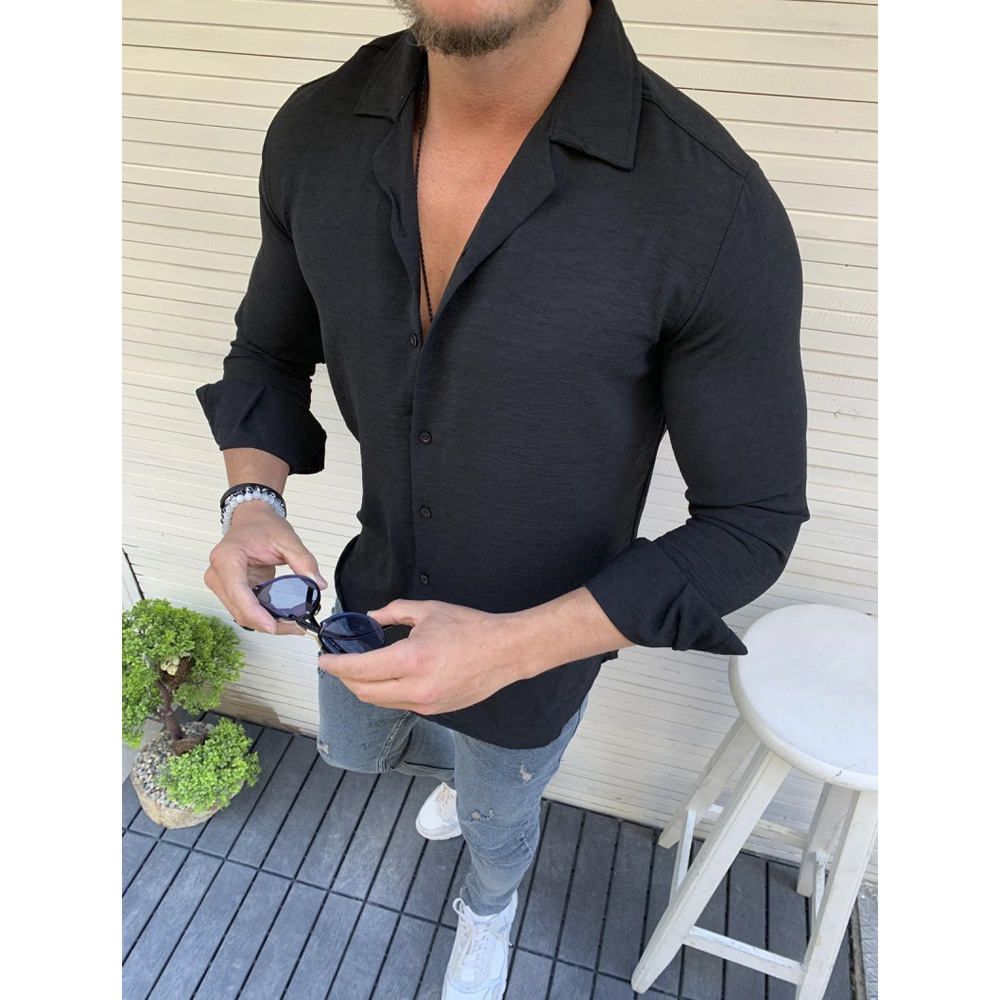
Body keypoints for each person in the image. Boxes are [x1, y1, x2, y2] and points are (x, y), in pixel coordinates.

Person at [196, 0, 810, 996]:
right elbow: (268, 349)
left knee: (499, 814)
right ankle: (454, 791)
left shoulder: (711, 206)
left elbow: (750, 524)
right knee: (359, 753)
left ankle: (489, 907)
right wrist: (250, 501)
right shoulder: (315, 130)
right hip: (368, 593)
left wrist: (512, 648)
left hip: (541, 652)